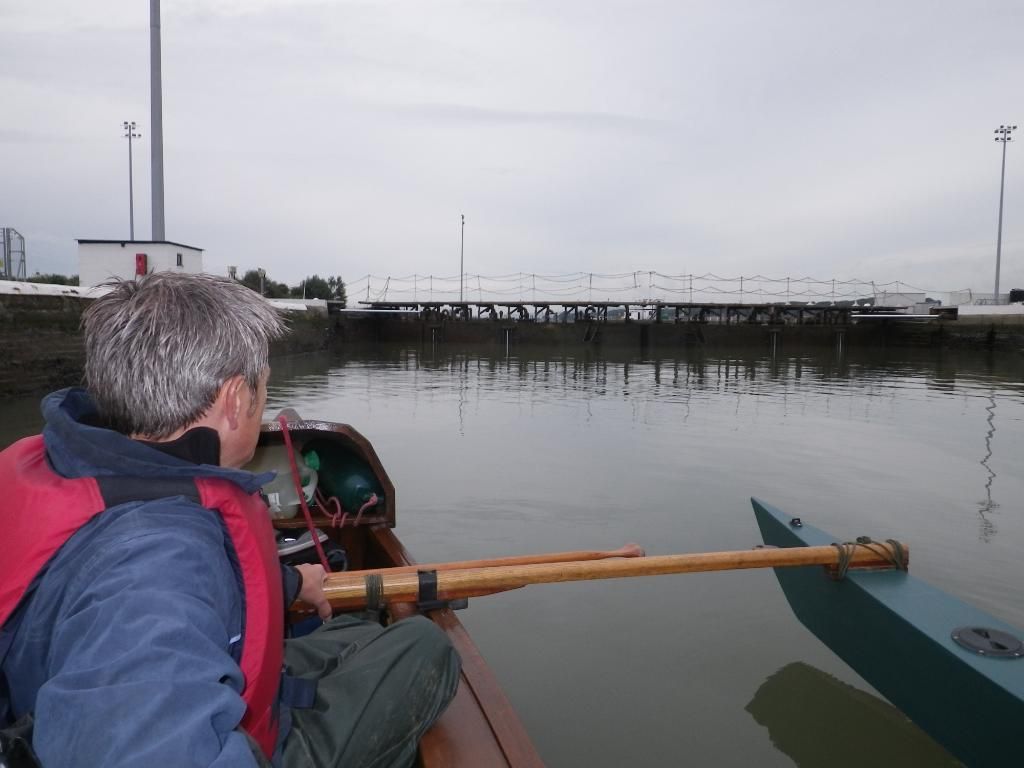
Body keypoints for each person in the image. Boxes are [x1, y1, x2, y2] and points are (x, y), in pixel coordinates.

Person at [0, 272, 460, 768]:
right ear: (235, 400)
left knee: (368, 630)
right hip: (251, 745)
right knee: (424, 647)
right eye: (263, 392)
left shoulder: (81, 466)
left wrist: (288, 584)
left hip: (216, 683)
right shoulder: (152, 567)